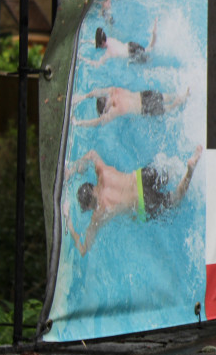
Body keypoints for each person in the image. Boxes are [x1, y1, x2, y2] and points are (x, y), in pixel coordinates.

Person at [63, 145, 203, 256]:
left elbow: (83, 249)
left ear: (88, 206)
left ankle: (190, 171)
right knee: (171, 171)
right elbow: (92, 154)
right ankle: (187, 162)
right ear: (91, 186)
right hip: (141, 177)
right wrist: (72, 170)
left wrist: (69, 222)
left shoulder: (99, 212)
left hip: (143, 203)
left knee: (175, 200)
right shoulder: (102, 172)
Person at [72, 86, 190, 126]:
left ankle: (183, 100)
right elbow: (96, 92)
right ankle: (183, 93)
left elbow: (98, 122)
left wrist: (79, 122)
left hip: (144, 107)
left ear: (105, 110)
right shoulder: (113, 90)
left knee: (170, 108)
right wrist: (82, 97)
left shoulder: (114, 110)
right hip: (144, 94)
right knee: (167, 97)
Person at [84, 17, 158, 66]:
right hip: (130, 45)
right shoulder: (109, 39)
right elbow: (95, 41)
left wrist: (83, 59)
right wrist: (85, 41)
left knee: (149, 59)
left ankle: (154, 34)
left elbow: (98, 64)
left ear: (103, 43)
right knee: (148, 49)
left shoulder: (109, 52)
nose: (100, 47)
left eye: (100, 45)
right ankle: (154, 33)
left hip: (131, 54)